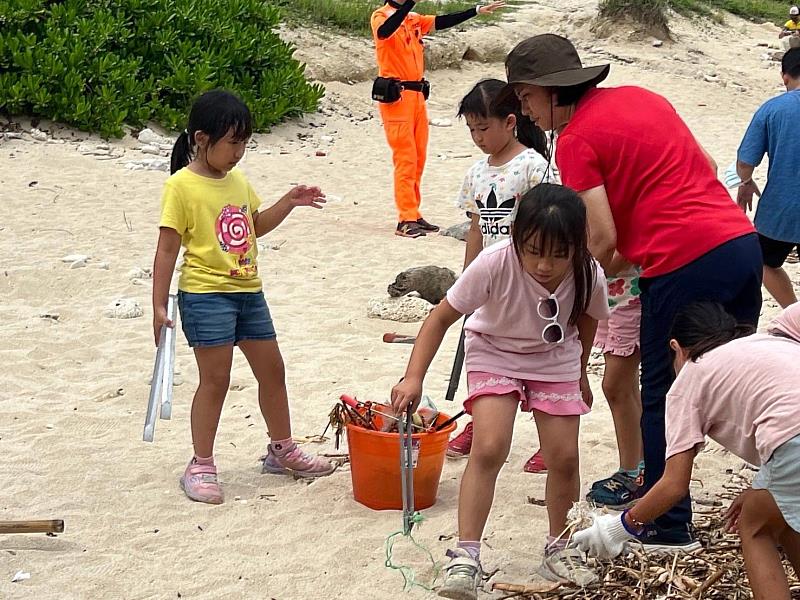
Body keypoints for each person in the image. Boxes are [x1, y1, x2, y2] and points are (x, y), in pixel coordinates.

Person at [502, 34, 762, 551]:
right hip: (740, 244)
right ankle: (781, 498)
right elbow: (706, 165)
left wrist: (614, 265)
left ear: (548, 91)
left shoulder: (576, 140)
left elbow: (602, 239)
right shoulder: (642, 96)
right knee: (744, 379)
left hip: (683, 262)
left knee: (664, 394)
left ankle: (667, 525)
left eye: (525, 99)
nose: (526, 111)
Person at [391, 184, 610, 596]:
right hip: (494, 350)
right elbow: (441, 318)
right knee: (490, 445)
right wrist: (413, 376)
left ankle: (559, 546)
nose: (544, 265)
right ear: (515, 239)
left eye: (558, 254)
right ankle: (466, 555)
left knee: (564, 456)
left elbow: (586, 320)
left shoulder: (587, 271)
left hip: (554, 353)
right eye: (533, 250)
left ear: (578, 247)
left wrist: (580, 373)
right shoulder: (494, 263)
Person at [152, 90, 335, 505]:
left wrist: (288, 202)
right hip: (205, 296)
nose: (239, 153)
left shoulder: (237, 181)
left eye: (244, 144)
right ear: (201, 138)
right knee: (215, 381)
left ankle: (281, 449)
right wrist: (159, 305)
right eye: (233, 143)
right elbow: (166, 249)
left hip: (248, 293)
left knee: (273, 370)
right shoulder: (180, 186)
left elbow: (253, 227)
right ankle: (200, 463)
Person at [573, 301, 800, 600]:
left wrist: (617, 528)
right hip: (789, 446)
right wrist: (762, 486)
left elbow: (674, 485)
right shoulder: (772, 339)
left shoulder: (690, 377)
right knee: (776, 516)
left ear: (676, 348)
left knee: (755, 526)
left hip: (791, 442)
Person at [445, 78, 557, 475]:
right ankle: (480, 423)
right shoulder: (476, 173)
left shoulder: (532, 166)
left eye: (484, 128)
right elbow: (476, 226)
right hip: (490, 278)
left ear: (511, 122)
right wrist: (468, 277)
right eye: (471, 130)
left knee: (538, 355)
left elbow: (548, 221)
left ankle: (549, 441)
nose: (478, 137)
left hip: (528, 277)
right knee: (487, 353)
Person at [370, 0, 505, 238]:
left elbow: (441, 22)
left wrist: (474, 11)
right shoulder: (381, 16)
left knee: (419, 157)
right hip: (396, 98)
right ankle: (405, 218)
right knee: (406, 158)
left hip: (416, 97)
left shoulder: (413, 19)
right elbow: (385, 32)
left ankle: (414, 213)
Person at [736, 48, 800, 308]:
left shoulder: (773, 109)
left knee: (765, 261)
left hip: (782, 209)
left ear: (785, 76)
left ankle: (794, 313)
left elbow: (745, 161)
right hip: (783, 208)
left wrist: (746, 182)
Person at [585, 266, 644, 509]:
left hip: (630, 292)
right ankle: (639, 465)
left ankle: (633, 473)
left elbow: (618, 246)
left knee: (616, 386)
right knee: (626, 387)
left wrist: (581, 268)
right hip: (610, 292)